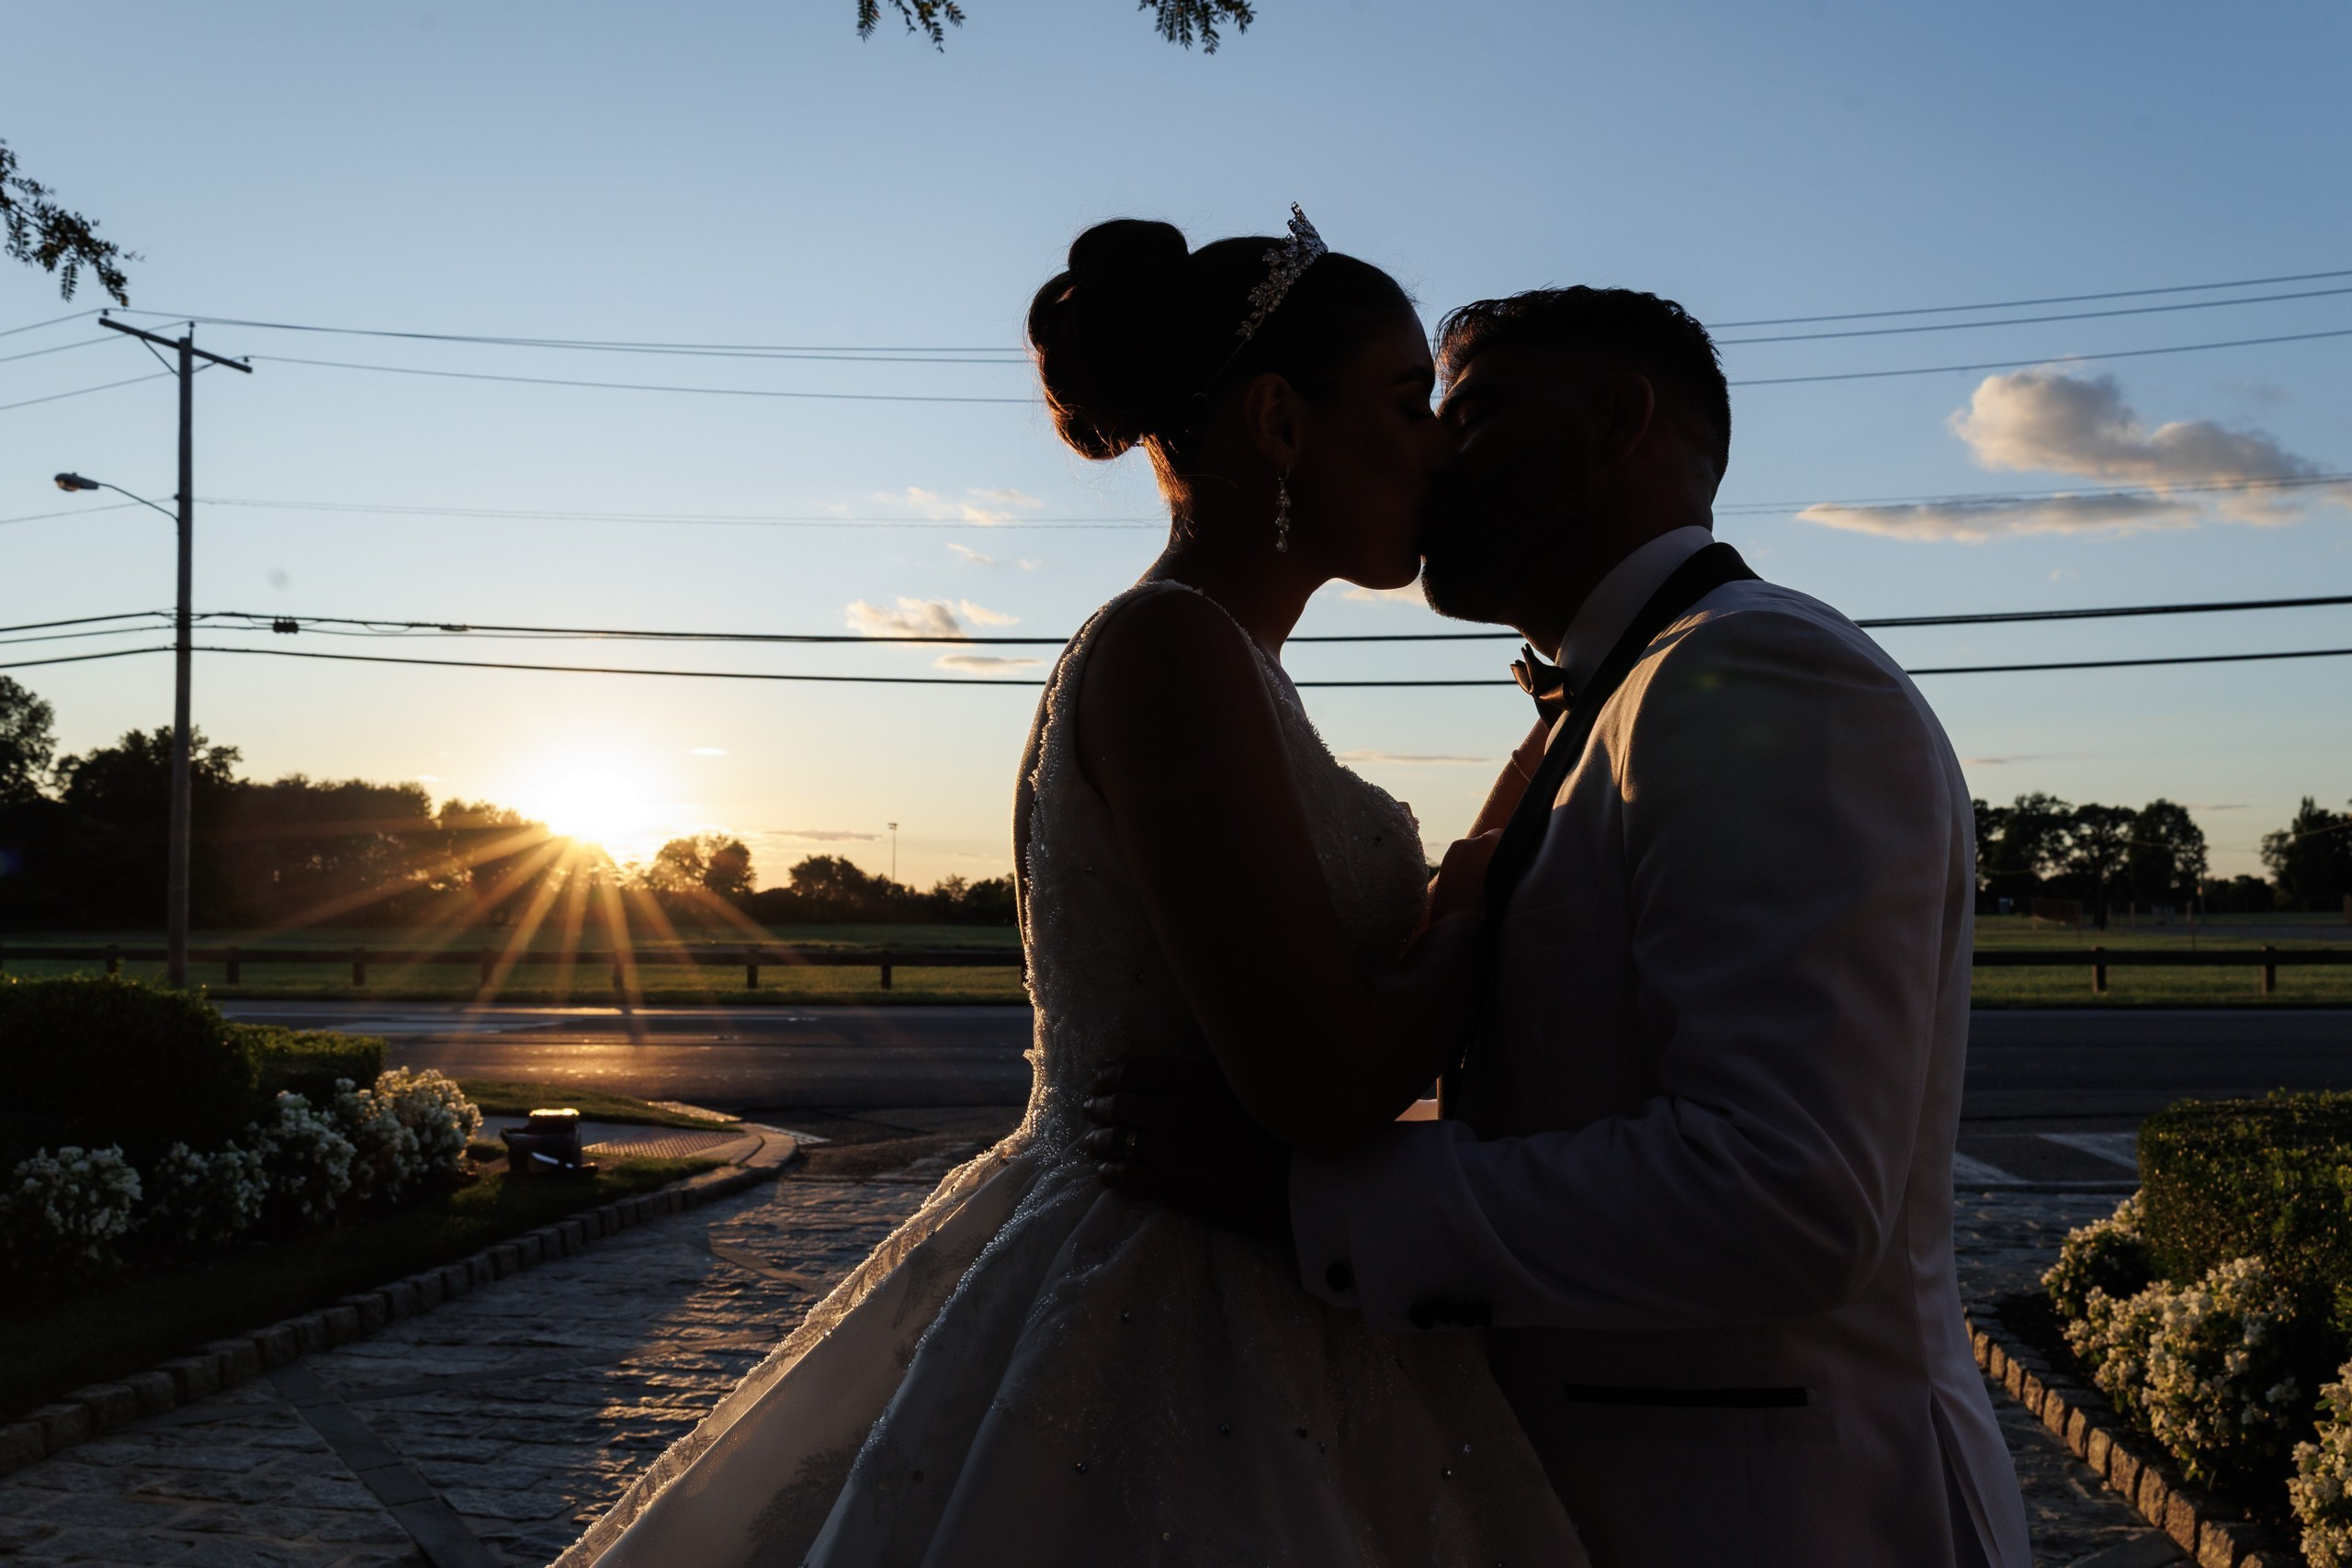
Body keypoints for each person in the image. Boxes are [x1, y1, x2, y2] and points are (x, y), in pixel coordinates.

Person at [556, 209, 1586, 1567]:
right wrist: (1471, 913)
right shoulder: (1169, 649)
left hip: (1254, 1267)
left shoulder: (1220, 656)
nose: (1439, 445)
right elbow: (1325, 1088)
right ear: (1280, 421)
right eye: (1407, 403)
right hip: (1170, 1298)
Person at [1089, 287, 2034, 1566]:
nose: (1432, 450)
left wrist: (1306, 1199)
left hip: (1781, 1519)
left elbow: (1786, 1192)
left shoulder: (1754, 675)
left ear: (1619, 423)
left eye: (1471, 410)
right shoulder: (1616, 701)